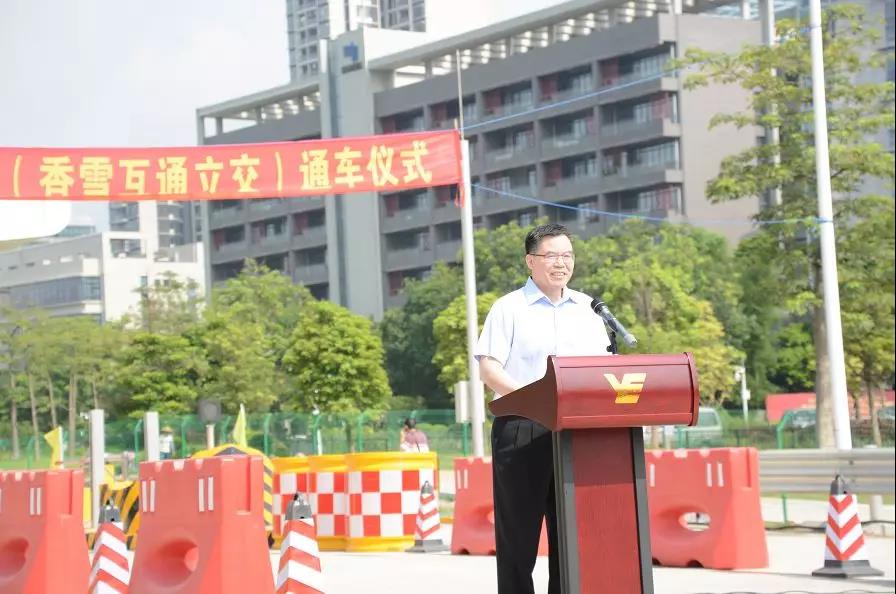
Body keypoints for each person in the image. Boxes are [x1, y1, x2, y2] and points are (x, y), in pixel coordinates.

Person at [475, 223, 610, 594]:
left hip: (577, 432)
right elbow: (489, 369)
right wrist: (534, 398)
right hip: (523, 426)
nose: (561, 263)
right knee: (518, 535)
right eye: (551, 256)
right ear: (530, 261)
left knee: (570, 535)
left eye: (567, 255)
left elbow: (603, 368)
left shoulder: (588, 309)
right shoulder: (508, 308)